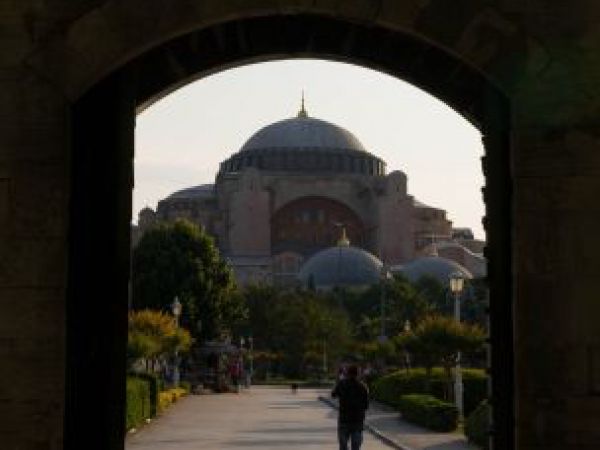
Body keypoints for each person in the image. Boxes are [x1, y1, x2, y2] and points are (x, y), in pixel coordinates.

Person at [331, 365, 369, 450]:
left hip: (344, 419)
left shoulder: (342, 384)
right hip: (357, 420)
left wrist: (337, 382)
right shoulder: (363, 387)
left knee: (343, 445)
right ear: (358, 374)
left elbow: (333, 395)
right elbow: (366, 406)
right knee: (356, 446)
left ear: (347, 373)